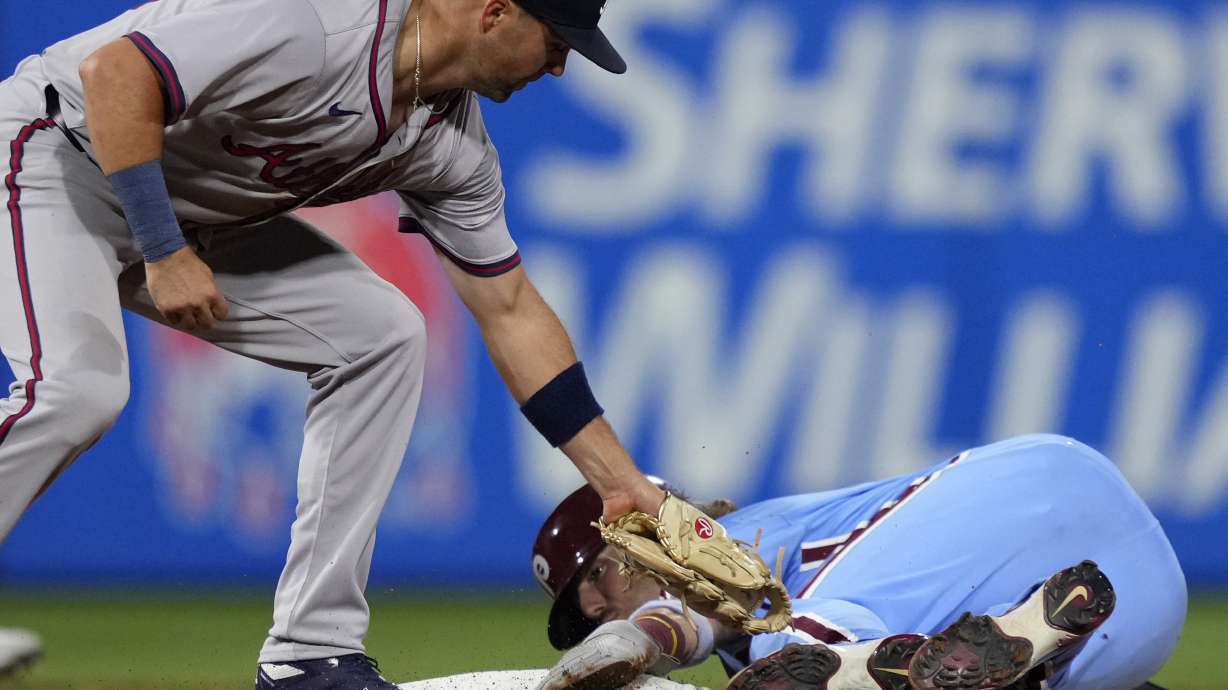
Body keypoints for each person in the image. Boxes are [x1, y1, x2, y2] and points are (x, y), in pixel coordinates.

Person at [0, 1, 666, 688]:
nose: (558, 67)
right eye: (556, 42)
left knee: (383, 336)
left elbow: (510, 308)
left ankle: (308, 656)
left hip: (188, 215)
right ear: (495, 12)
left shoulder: (452, 148)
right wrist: (162, 249)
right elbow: (115, 72)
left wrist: (619, 482)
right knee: (77, 390)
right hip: (57, 151)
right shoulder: (319, 22)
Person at [531, 434, 1187, 690]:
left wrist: (632, 637)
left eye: (597, 573)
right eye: (579, 613)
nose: (591, 606)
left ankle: (897, 664)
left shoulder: (736, 534)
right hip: (1140, 614)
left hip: (1035, 499)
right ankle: (1014, 663)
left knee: (778, 663)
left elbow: (699, 609)